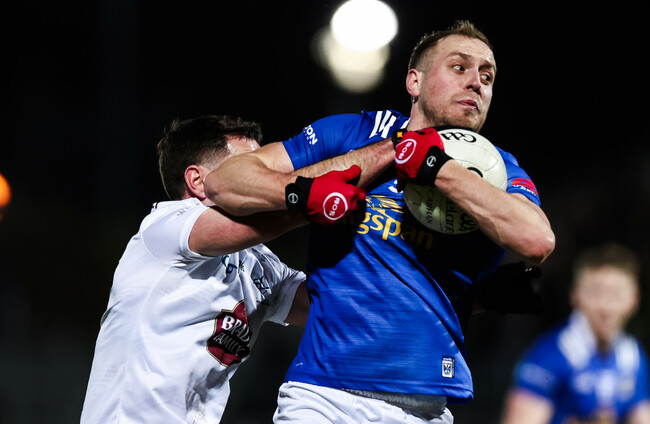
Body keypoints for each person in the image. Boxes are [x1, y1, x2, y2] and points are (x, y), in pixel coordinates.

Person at [208, 20, 556, 423]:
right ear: (414, 81)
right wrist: (304, 192)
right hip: (325, 399)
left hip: (427, 408)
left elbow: (537, 240)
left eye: (487, 76)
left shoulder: (501, 169)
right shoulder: (359, 133)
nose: (476, 82)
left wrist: (437, 167)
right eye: (459, 67)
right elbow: (224, 182)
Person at [80, 115, 367, 423]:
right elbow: (270, 220)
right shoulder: (164, 228)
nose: (263, 176)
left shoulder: (257, 262)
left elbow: (329, 304)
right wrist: (318, 192)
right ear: (197, 181)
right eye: (247, 166)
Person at [501, 243, 650, 424]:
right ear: (575, 295)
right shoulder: (548, 355)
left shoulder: (632, 356)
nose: (606, 307)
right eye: (596, 293)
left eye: (617, 294)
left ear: (635, 299)